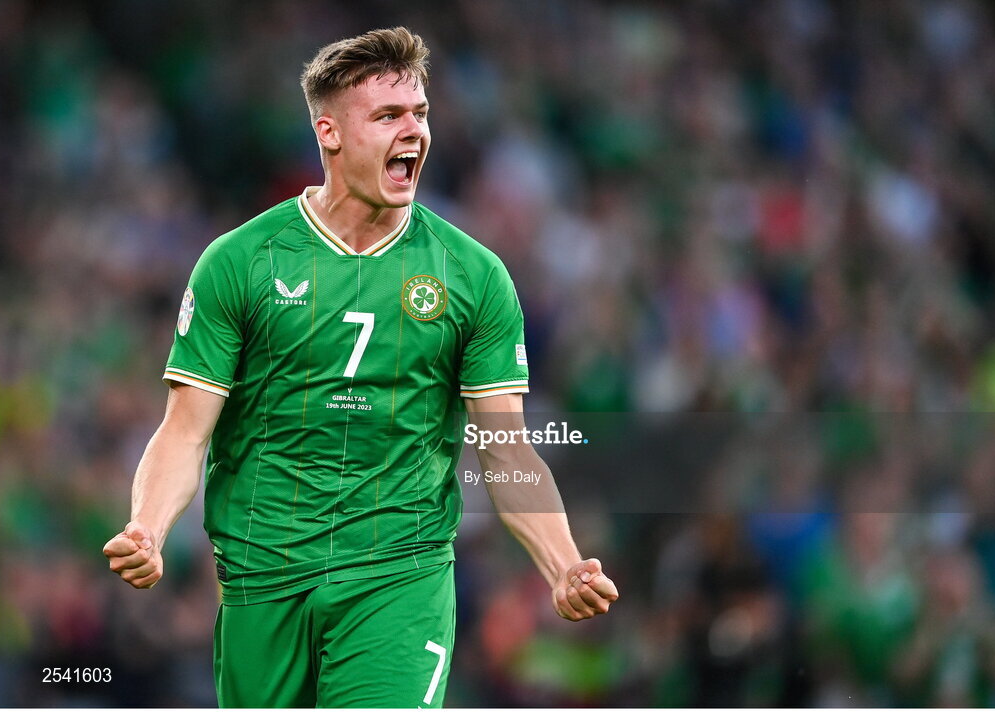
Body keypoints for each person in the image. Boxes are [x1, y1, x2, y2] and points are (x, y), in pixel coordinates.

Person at [102, 26, 618, 708]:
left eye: (420, 114)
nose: (414, 132)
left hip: (398, 574)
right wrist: (147, 527)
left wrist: (563, 563)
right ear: (330, 134)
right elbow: (185, 431)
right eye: (388, 117)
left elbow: (505, 450)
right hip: (264, 574)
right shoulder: (241, 262)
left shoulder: (474, 276)